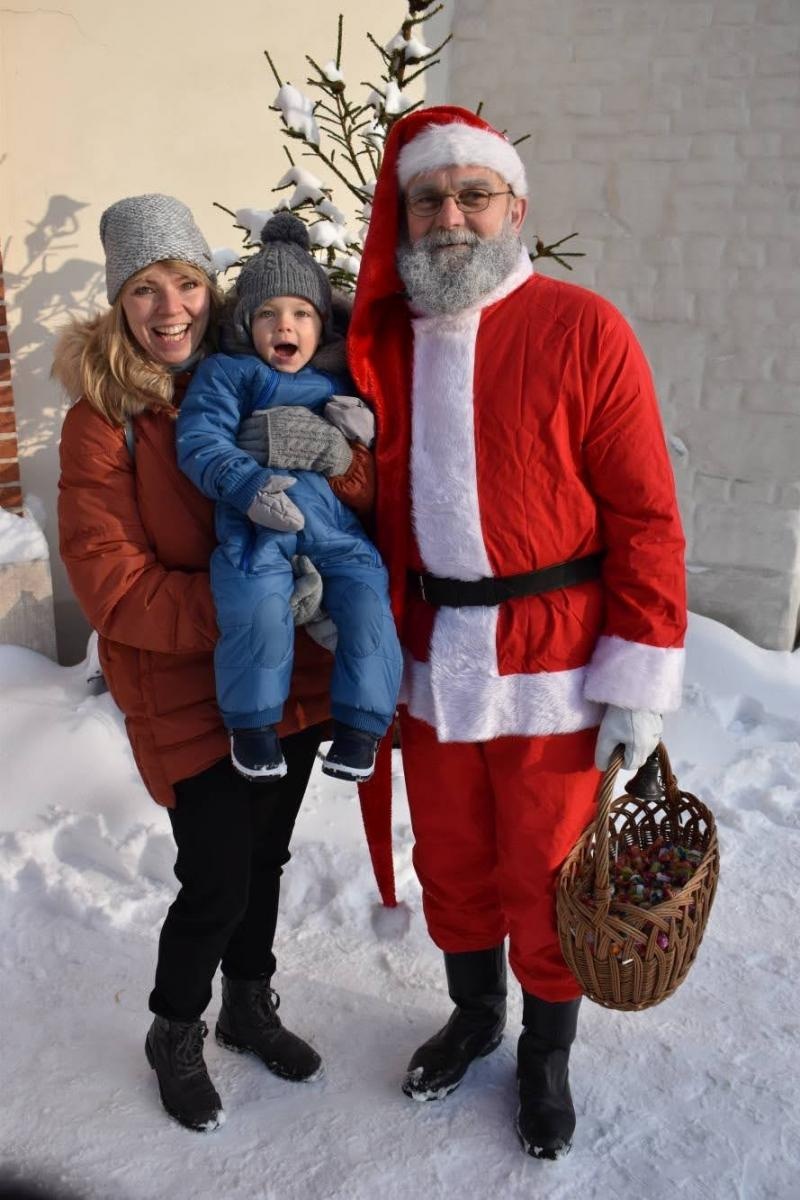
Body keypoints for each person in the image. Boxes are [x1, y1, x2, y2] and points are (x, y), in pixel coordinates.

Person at [349, 107, 686, 1159]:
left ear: (513, 210)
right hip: (427, 656)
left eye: (471, 195)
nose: (450, 216)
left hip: (555, 660)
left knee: (548, 869)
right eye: (427, 200)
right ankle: (472, 1014)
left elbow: (643, 517)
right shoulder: (380, 345)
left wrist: (636, 678)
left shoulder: (583, 329)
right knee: (452, 857)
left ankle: (543, 1050)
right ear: (400, 219)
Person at [54, 193, 387, 1135]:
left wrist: (341, 458)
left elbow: (357, 494)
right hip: (183, 688)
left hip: (285, 689)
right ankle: (174, 1027)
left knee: (267, 856)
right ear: (119, 302)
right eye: (146, 289)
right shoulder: (104, 421)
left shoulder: (259, 371)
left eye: (188, 283)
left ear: (214, 289)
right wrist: (257, 610)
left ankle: (248, 1005)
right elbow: (114, 585)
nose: (171, 309)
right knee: (217, 877)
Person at [176, 212, 402, 785]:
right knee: (257, 612)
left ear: (321, 324)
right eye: (269, 313)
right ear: (247, 324)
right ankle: (251, 725)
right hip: (260, 526)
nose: (286, 324)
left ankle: (362, 726)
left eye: (302, 313)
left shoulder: (343, 376)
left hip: (336, 530)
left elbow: (387, 453)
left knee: (369, 604)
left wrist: (363, 431)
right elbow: (199, 439)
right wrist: (245, 484)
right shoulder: (229, 374)